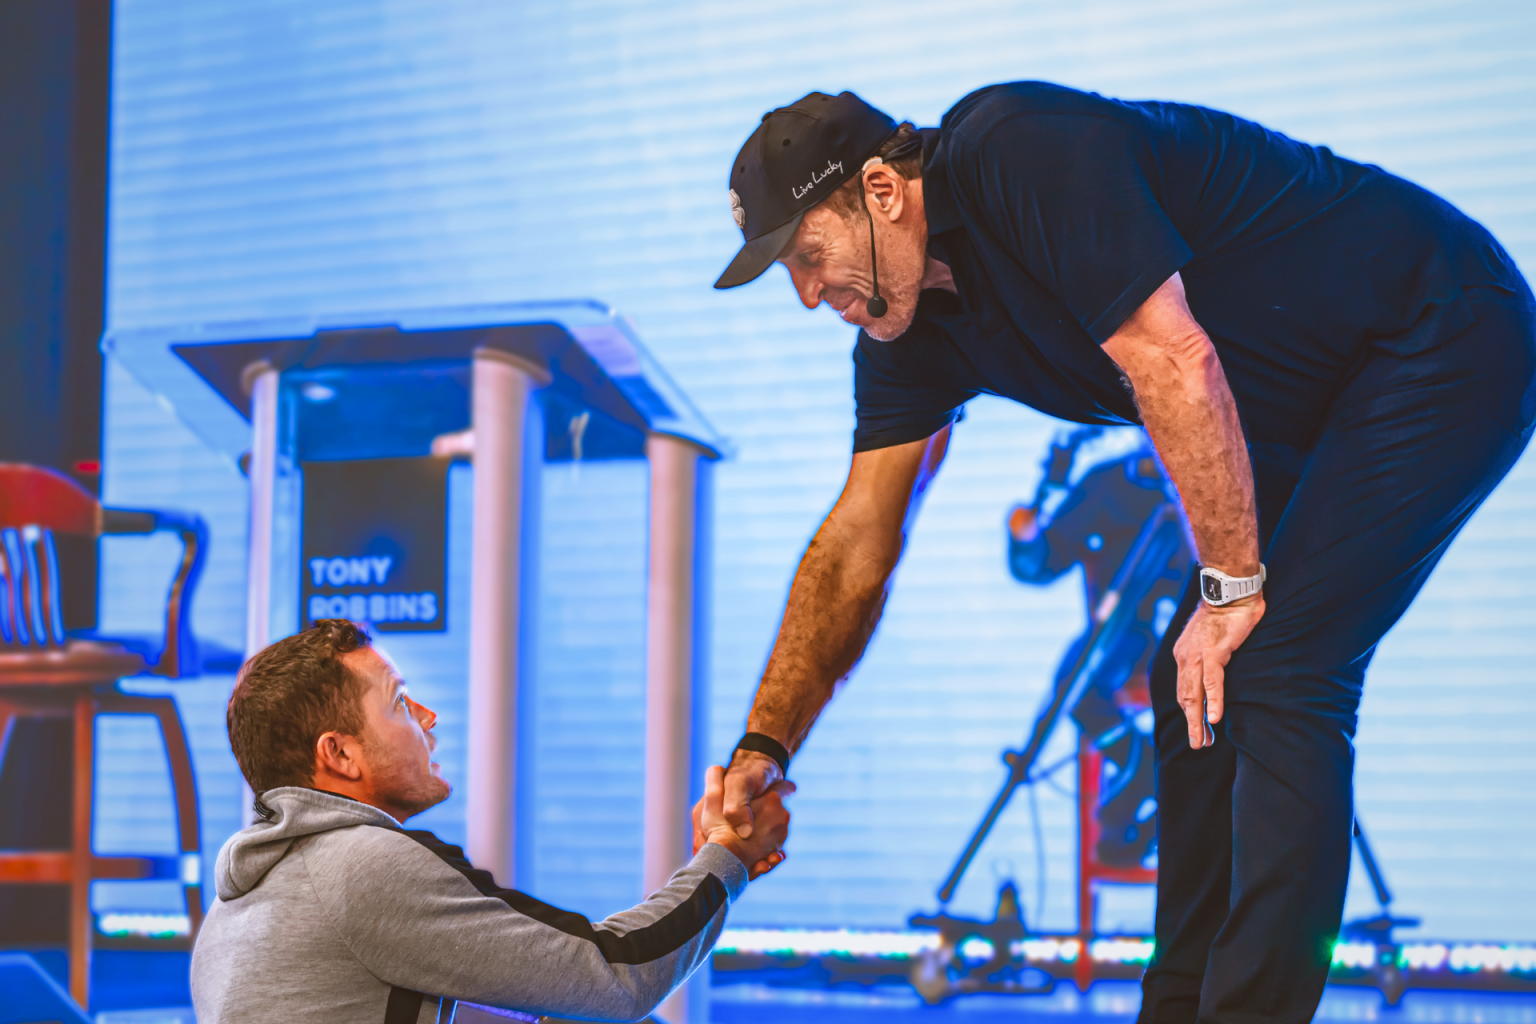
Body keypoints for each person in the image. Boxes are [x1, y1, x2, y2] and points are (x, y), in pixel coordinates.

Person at [704, 84, 1536, 1024]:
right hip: (1316, 405)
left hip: (1440, 328)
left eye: (809, 257)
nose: (810, 296)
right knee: (1188, 688)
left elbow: (1173, 361)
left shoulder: (1018, 150)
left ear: (883, 190)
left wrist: (1228, 594)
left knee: (1277, 666)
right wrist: (764, 744)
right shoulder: (907, 329)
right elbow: (858, 541)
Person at [191, 619, 790, 1024]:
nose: (428, 717)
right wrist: (726, 856)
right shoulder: (362, 865)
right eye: (400, 702)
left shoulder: (234, 906)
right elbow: (615, 975)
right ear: (339, 754)